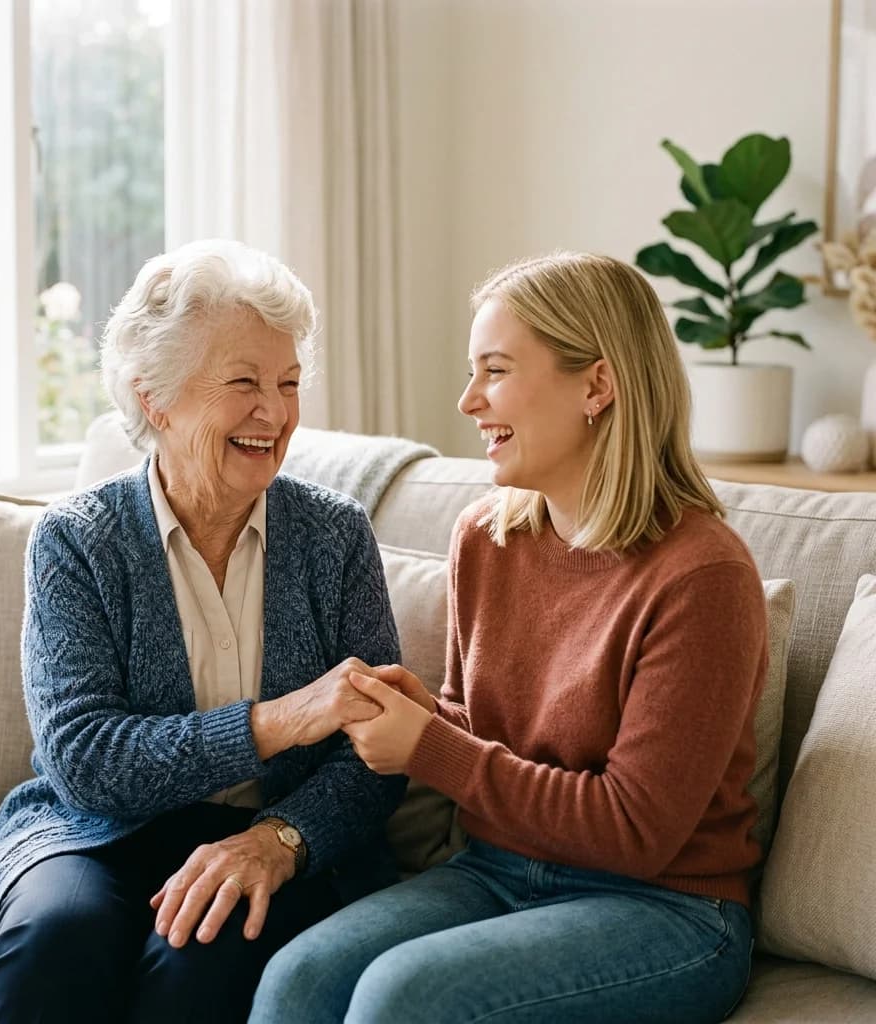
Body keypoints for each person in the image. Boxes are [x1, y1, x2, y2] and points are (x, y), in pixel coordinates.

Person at [250, 251, 766, 1024]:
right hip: (498, 869)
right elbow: (490, 737)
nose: (466, 400)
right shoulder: (488, 539)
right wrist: (425, 714)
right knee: (297, 979)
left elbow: (634, 831)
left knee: (402, 999)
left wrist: (429, 748)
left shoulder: (703, 576)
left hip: (667, 909)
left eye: (494, 371)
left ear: (596, 385)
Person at [0, 239, 405, 1024]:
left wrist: (282, 838)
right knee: (59, 939)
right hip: (95, 830)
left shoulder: (335, 537)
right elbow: (85, 760)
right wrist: (280, 720)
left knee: (203, 953)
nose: (275, 411)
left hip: (268, 835)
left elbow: (380, 756)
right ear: (154, 398)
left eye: (289, 383)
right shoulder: (78, 540)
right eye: (244, 382)